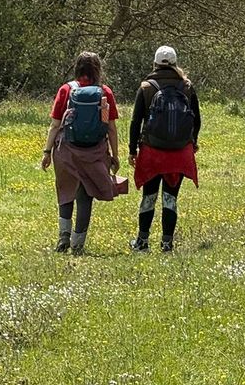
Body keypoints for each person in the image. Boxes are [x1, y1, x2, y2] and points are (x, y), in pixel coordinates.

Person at [41, 52, 121, 255]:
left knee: (66, 191)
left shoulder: (66, 90)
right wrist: (114, 155)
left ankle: (63, 238)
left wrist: (47, 151)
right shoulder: (104, 93)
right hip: (94, 152)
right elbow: (109, 127)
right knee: (86, 196)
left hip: (67, 149)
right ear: (97, 69)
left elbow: (55, 124)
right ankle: (78, 244)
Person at [128, 46, 200, 253]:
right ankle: (167, 243)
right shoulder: (187, 86)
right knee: (171, 197)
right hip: (180, 152)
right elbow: (197, 119)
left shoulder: (146, 87)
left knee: (149, 196)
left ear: (155, 63)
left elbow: (135, 122)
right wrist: (192, 141)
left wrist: (132, 150)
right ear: (176, 63)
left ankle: (142, 242)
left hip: (152, 151)